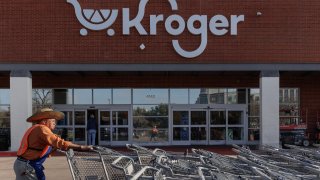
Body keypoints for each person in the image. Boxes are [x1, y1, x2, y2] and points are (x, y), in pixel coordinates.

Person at [13, 108, 93, 180]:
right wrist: (81, 147)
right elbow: (59, 142)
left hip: (25, 164)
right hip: (27, 166)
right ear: (44, 121)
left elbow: (53, 144)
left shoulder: (38, 128)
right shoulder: (42, 128)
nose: (55, 123)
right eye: (53, 121)